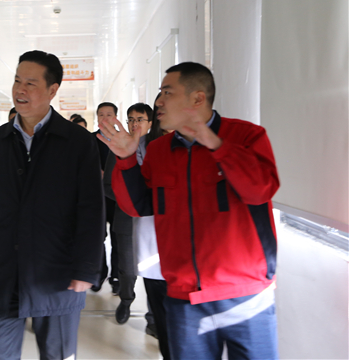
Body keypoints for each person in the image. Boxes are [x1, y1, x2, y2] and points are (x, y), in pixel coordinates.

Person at [99, 62, 280, 360]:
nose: (159, 102)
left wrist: (217, 145)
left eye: (167, 93)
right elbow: (138, 206)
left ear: (198, 98)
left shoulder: (246, 136)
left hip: (246, 294)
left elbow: (260, 189)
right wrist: (127, 160)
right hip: (184, 294)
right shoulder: (159, 150)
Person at [0, 50, 105, 360]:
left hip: (57, 274)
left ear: (52, 90)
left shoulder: (77, 142)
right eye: (17, 81)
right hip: (4, 270)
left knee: (58, 354)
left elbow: (91, 210)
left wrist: (86, 267)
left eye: (30, 83)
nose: (20, 89)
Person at [102, 103, 153, 326]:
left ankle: (153, 315)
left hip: (154, 220)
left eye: (139, 119)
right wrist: (130, 198)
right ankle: (126, 300)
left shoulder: (159, 147)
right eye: (130, 119)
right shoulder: (117, 147)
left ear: (150, 123)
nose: (134, 124)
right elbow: (107, 185)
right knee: (127, 267)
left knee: (154, 269)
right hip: (126, 216)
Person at [128, 100, 171, 359]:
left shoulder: (200, 144)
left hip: (185, 245)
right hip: (150, 231)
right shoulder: (142, 147)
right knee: (159, 296)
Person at [92, 102, 120, 294]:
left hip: (118, 197)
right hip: (97, 196)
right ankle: (98, 274)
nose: (105, 118)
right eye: (101, 114)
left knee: (118, 237)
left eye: (109, 114)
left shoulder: (123, 139)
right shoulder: (89, 139)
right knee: (97, 237)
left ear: (115, 117)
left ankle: (117, 276)